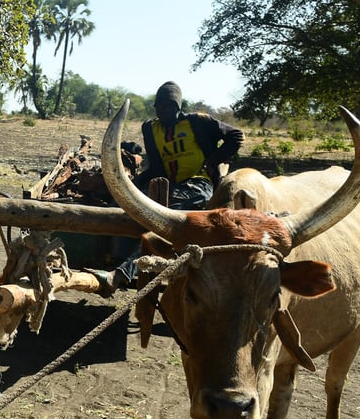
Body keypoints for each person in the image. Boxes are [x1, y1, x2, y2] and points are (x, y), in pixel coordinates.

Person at [88, 81, 244, 296]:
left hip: (197, 185)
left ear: (178, 106)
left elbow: (236, 136)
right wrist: (131, 185)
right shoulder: (151, 129)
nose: (164, 111)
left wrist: (213, 161)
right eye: (160, 107)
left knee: (160, 220)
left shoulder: (198, 122)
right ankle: (111, 257)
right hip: (168, 184)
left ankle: (122, 272)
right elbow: (156, 166)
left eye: (169, 106)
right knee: (122, 206)